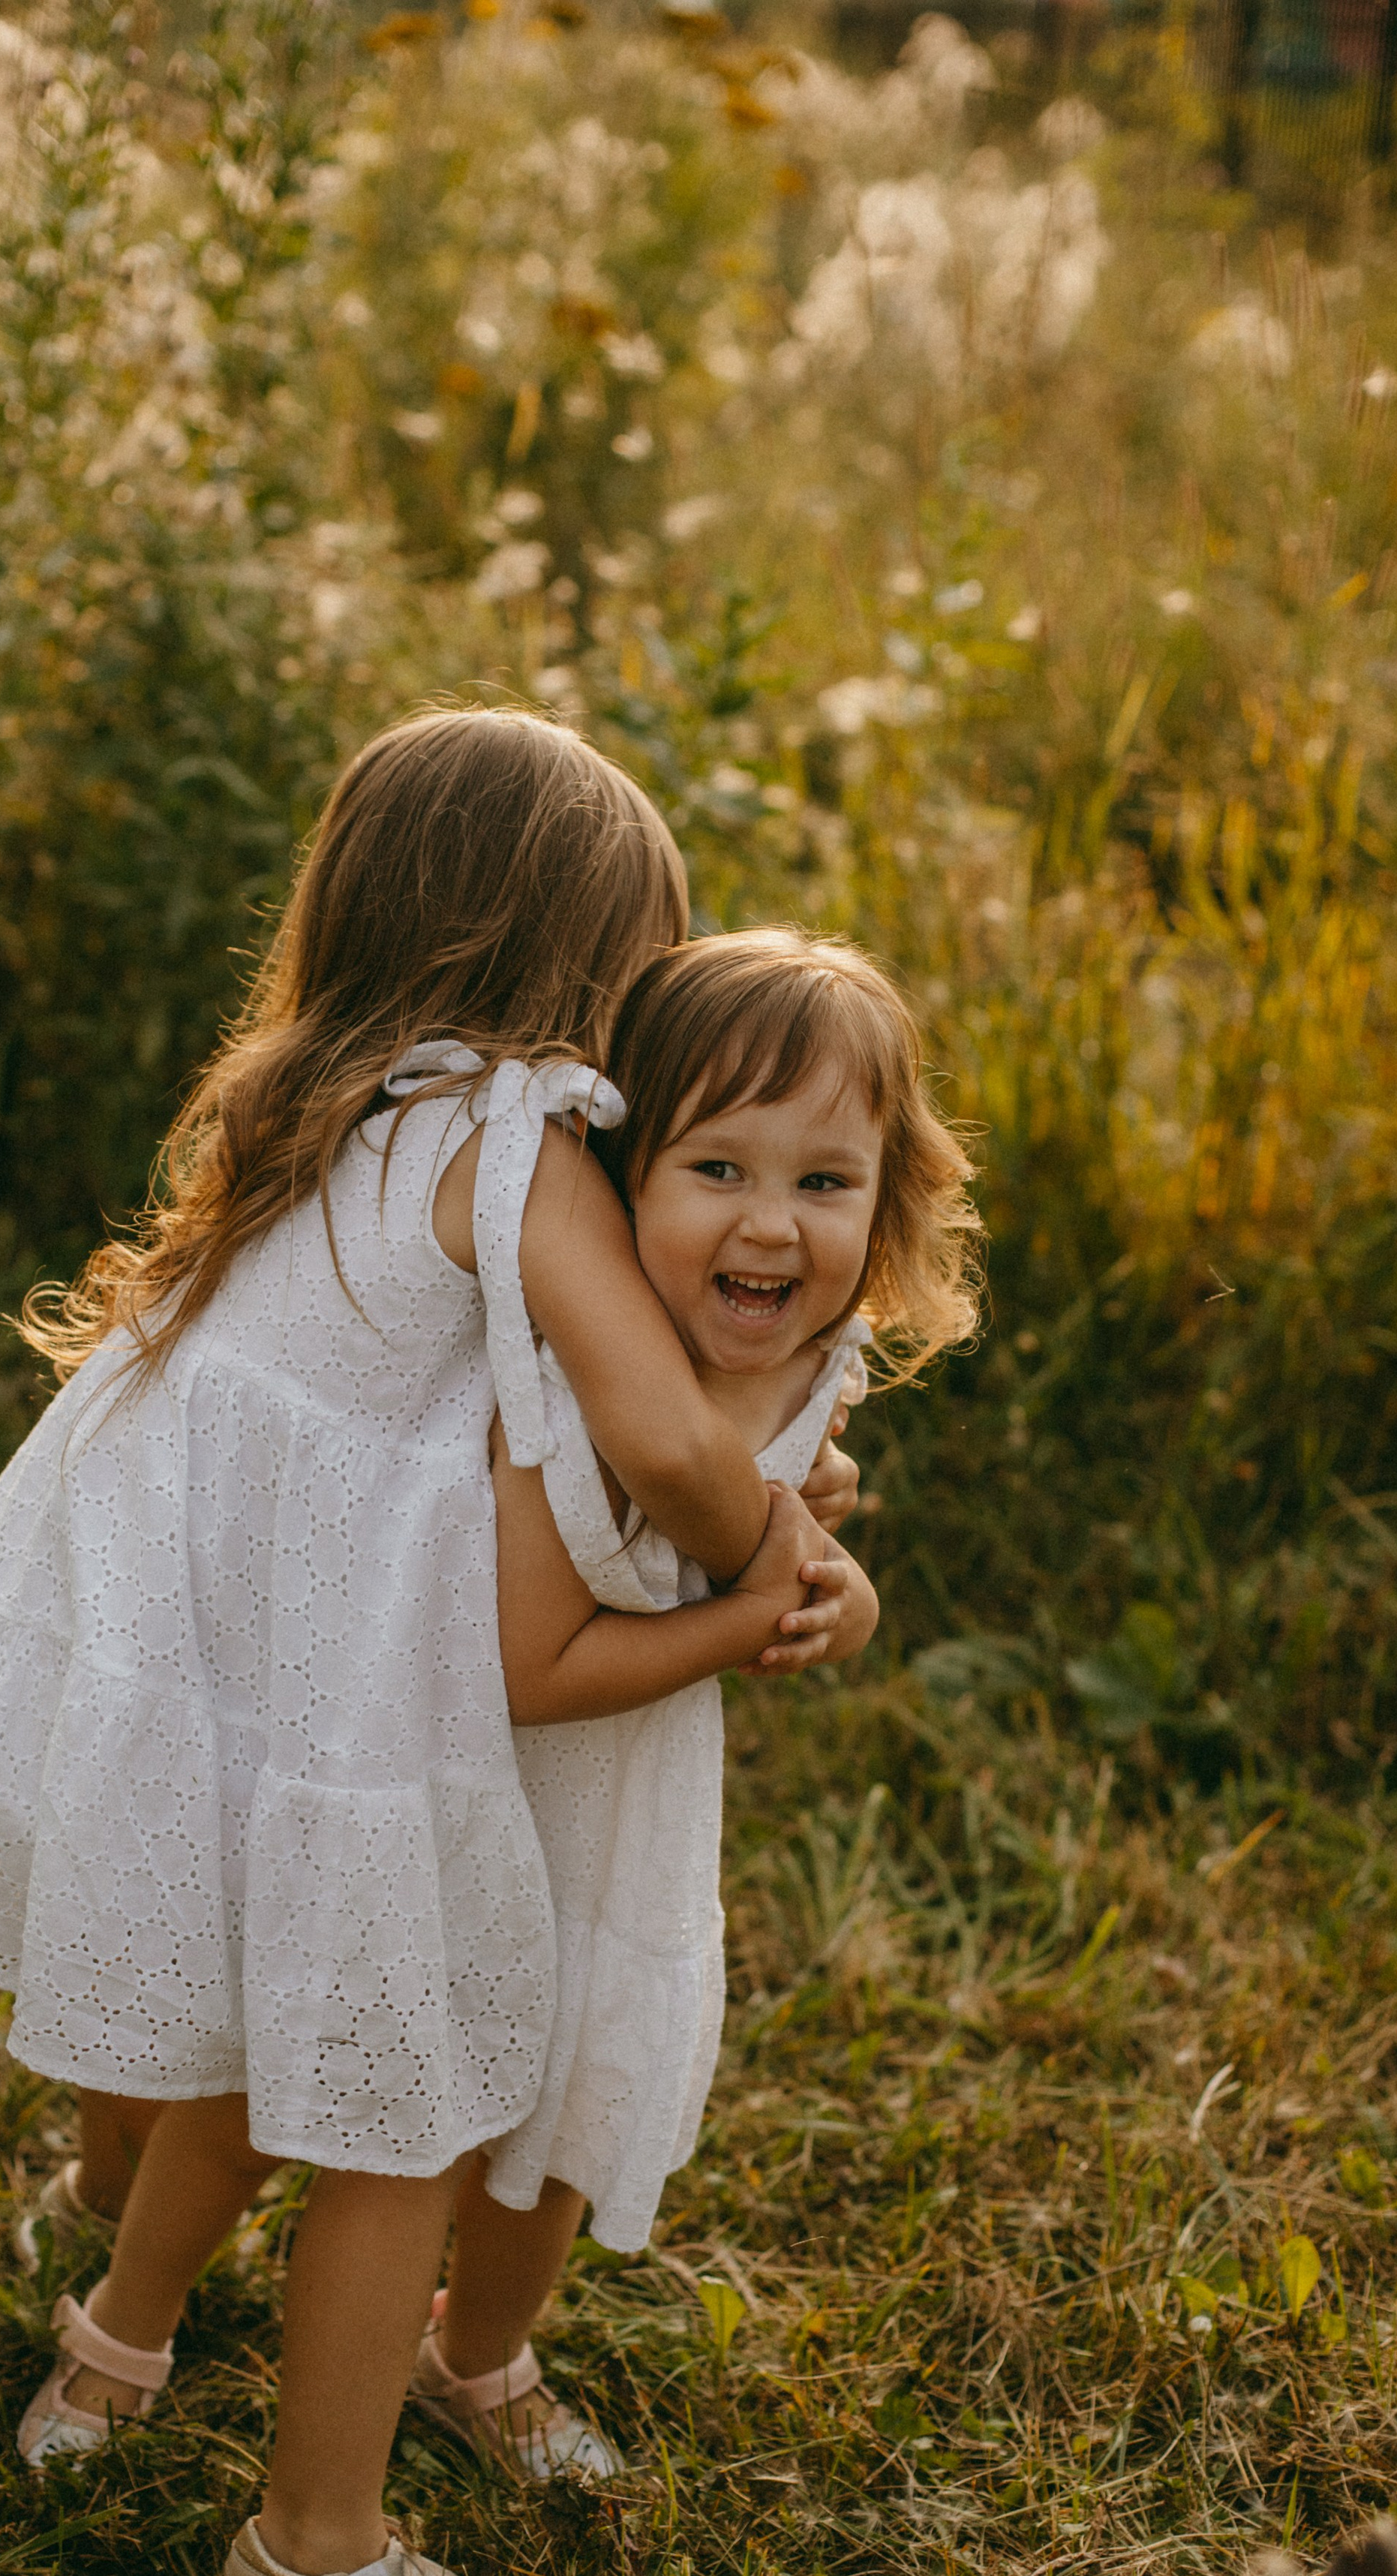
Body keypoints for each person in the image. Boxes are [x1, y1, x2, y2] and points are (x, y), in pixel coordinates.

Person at [0, 709, 862, 2576]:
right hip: (336, 1708)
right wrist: (780, 1557)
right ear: (566, 965)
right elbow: (650, 1418)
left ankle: (117, 2327)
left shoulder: (318, 1111)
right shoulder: (517, 1126)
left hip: (207, 1668)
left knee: (214, 2018)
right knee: (397, 2088)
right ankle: (303, 2537)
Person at [408, 928, 981, 2480]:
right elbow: (542, 1661)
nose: (772, 1227)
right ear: (617, 1178)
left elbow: (802, 1533)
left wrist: (833, 1597)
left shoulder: (822, 1361)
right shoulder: (586, 1372)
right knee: (383, 2084)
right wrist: (747, 1619)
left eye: (823, 1183)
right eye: (715, 1169)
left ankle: (476, 2351)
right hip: (470, 1772)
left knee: (572, 2091)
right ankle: (134, 2264)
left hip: (632, 1813)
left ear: (887, 1199)